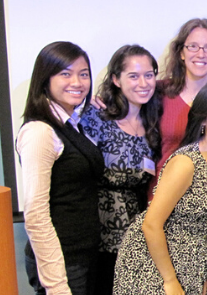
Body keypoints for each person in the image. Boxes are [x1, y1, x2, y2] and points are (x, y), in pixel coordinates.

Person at [113, 81, 207, 295]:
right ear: (204, 118)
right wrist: (169, 281)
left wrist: (200, 274)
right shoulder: (186, 162)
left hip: (191, 263)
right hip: (154, 260)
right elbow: (151, 224)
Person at [18, 41, 104, 295]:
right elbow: (36, 216)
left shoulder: (71, 123)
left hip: (82, 255)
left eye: (83, 74)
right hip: (61, 263)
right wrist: (56, 285)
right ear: (45, 79)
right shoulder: (40, 131)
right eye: (65, 73)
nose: (77, 82)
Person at [79, 44, 162, 294]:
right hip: (101, 236)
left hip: (138, 235)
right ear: (116, 79)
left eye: (149, 75)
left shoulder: (153, 121)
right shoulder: (96, 118)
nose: (143, 83)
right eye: (133, 76)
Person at [148, 18, 207, 201]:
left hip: (205, 203)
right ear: (181, 53)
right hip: (161, 196)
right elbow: (124, 101)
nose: (200, 54)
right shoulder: (158, 91)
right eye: (193, 46)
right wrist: (97, 101)